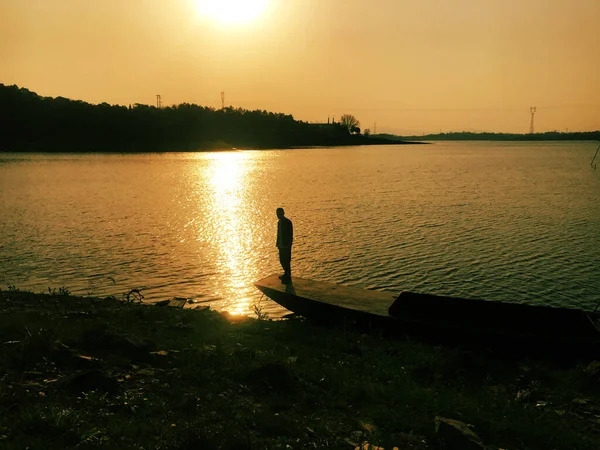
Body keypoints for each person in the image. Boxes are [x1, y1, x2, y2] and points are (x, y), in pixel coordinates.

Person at [276, 207, 293, 283]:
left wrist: (289, 244)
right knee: (282, 260)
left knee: (286, 260)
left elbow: (290, 234)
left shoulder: (287, 222)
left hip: (286, 244)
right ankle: (286, 273)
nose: (278, 215)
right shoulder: (279, 222)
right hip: (281, 244)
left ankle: (287, 275)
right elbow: (278, 234)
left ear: (283, 213)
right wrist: (278, 243)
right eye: (277, 214)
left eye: (279, 213)